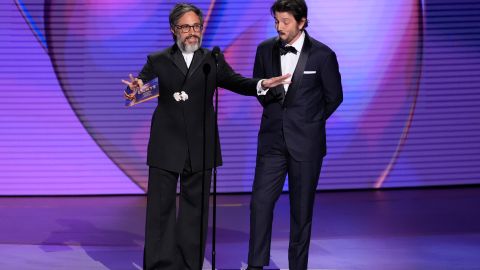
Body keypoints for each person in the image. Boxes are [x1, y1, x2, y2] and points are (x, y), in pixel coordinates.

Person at [122, 3, 290, 270]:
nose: (192, 32)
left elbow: (236, 82)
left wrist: (261, 84)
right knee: (160, 210)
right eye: (186, 27)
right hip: (166, 144)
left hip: (201, 144)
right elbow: (140, 85)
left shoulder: (211, 58)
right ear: (173, 30)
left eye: (196, 26)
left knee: (195, 211)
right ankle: (159, 265)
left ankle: (189, 265)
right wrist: (135, 88)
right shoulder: (159, 59)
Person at [247, 0, 343, 269]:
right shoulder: (265, 49)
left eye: (285, 22)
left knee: (301, 212)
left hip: (307, 145)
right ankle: (256, 264)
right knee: (260, 203)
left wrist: (309, 122)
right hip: (272, 141)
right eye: (276, 21)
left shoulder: (323, 55)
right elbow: (259, 87)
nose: (279, 27)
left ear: (301, 22)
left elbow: (334, 97)